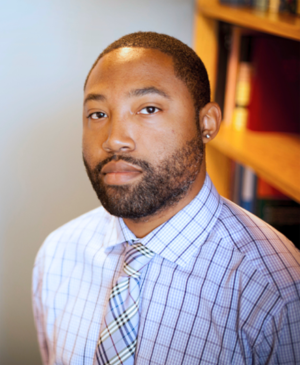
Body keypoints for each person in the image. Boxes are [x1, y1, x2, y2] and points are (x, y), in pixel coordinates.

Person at [32, 32, 300, 365]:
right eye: (98, 114)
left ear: (207, 123)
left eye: (148, 108)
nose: (115, 140)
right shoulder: (58, 255)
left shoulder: (277, 289)